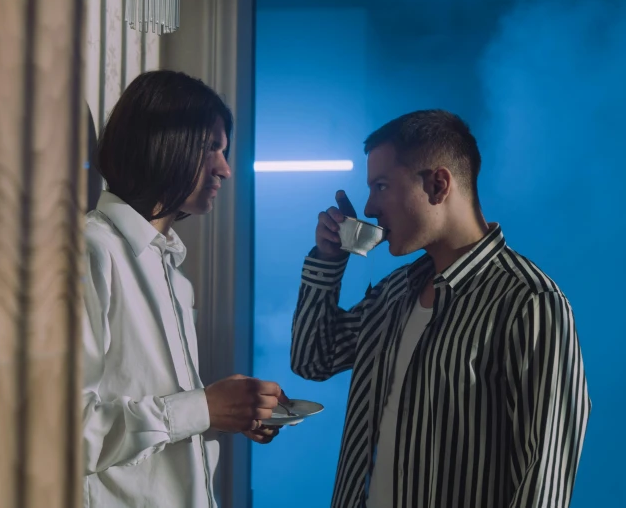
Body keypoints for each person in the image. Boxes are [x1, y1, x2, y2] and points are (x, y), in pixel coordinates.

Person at [291, 110, 591, 508]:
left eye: (381, 186)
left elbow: (543, 481)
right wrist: (328, 259)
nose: (369, 206)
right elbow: (313, 358)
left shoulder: (528, 303)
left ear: (438, 184)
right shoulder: (395, 292)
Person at [82, 70, 285, 508]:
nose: (226, 169)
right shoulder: (90, 251)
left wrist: (223, 409)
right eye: (211, 147)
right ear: (162, 140)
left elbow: (157, 420)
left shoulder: (173, 274)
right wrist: (202, 409)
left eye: (224, 151)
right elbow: (65, 435)